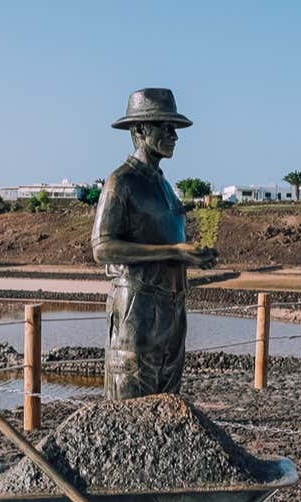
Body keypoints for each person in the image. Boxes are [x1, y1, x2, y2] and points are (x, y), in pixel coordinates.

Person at [92, 88, 216, 400]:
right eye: (166, 127)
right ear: (141, 130)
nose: (175, 135)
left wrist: (191, 257)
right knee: (131, 403)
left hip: (172, 308)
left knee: (166, 401)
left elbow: (169, 239)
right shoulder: (121, 181)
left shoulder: (162, 184)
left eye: (174, 128)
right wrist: (174, 252)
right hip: (137, 307)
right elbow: (102, 247)